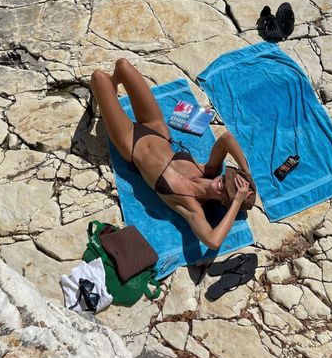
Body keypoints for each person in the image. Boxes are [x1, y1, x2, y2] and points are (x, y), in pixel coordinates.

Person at [90, 58, 253, 250]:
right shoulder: (209, 170)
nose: (222, 183)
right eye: (227, 179)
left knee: (98, 78)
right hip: (156, 128)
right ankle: (114, 83)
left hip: (130, 143)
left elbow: (213, 242)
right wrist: (246, 172)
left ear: (225, 201)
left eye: (227, 190)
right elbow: (226, 139)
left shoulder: (192, 206)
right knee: (123, 66)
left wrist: (237, 202)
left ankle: (107, 87)